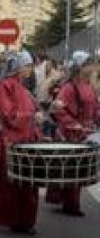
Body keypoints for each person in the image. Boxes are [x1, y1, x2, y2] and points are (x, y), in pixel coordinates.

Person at [0, 50, 41, 235]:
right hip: (11, 143)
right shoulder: (6, 86)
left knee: (27, 184)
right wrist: (32, 116)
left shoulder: (23, 87)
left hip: (26, 142)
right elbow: (9, 115)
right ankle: (6, 218)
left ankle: (25, 221)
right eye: (28, 65)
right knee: (8, 185)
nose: (30, 69)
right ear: (18, 67)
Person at [45, 51, 98, 216]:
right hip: (71, 134)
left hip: (85, 132)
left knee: (79, 169)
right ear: (80, 67)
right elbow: (58, 110)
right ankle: (71, 204)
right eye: (88, 64)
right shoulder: (68, 87)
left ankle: (70, 202)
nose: (92, 67)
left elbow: (95, 109)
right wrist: (73, 124)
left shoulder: (89, 86)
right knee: (71, 169)